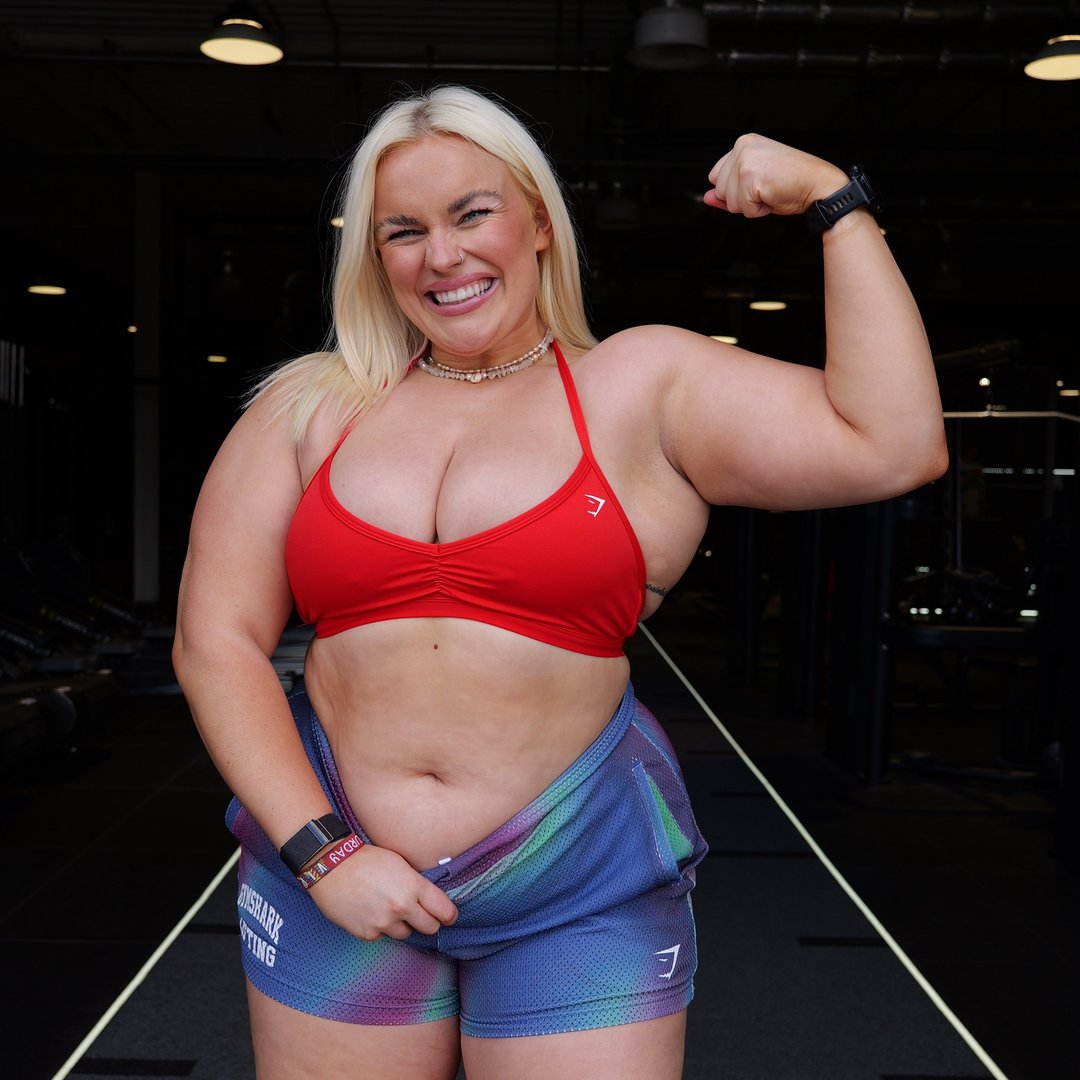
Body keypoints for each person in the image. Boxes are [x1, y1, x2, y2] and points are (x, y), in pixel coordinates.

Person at [173, 85, 947, 1080]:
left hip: (578, 883)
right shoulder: (308, 408)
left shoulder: (640, 386)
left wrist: (834, 203)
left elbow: (895, 444)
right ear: (374, 256)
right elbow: (216, 642)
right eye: (404, 231)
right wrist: (322, 854)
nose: (442, 255)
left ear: (538, 221)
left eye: (472, 213)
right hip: (336, 874)